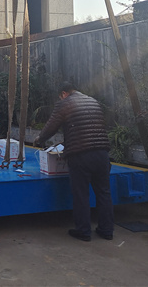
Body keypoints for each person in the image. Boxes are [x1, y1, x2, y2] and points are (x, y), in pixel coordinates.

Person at [33, 82, 114, 242]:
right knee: (104, 192)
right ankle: (107, 231)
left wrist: (39, 139)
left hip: (80, 154)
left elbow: (51, 127)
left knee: (81, 194)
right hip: (102, 153)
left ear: (63, 93)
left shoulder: (64, 104)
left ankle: (83, 231)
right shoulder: (93, 101)